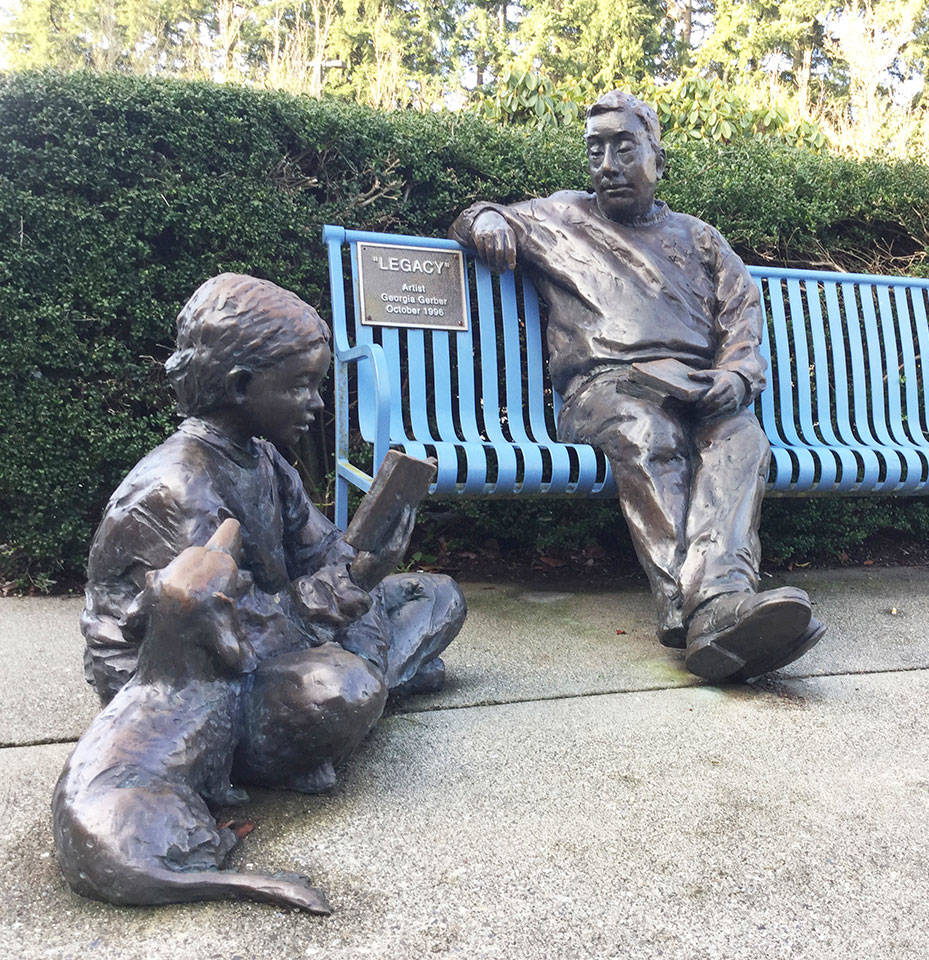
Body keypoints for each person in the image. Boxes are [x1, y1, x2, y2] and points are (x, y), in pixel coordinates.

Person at [449, 90, 824, 682]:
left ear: (657, 156)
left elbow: (741, 318)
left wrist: (734, 375)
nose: (607, 165)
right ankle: (712, 609)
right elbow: (478, 214)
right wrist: (487, 219)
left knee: (742, 439)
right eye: (595, 151)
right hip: (606, 389)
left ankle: (711, 612)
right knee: (645, 430)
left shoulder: (699, 238)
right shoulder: (561, 216)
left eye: (624, 148)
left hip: (695, 385)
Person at [81, 273, 466, 793]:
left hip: (278, 631)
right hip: (195, 699)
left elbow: (321, 550)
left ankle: (371, 687)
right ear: (241, 386)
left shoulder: (263, 457)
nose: (318, 403)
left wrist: (360, 563)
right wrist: (353, 582)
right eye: (300, 385)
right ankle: (371, 686)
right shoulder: (180, 487)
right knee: (333, 688)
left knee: (437, 595)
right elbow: (231, 637)